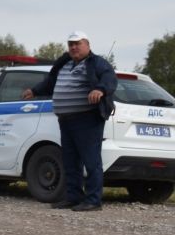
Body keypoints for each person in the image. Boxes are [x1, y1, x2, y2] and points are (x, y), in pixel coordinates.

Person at [22, 31, 117, 211]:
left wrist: (100, 89)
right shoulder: (64, 64)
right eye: (70, 44)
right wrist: (35, 91)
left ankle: (93, 200)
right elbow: (50, 82)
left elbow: (109, 78)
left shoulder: (96, 63)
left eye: (77, 44)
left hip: (87, 119)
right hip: (66, 120)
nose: (73, 47)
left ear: (87, 45)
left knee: (91, 160)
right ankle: (73, 197)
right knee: (70, 161)